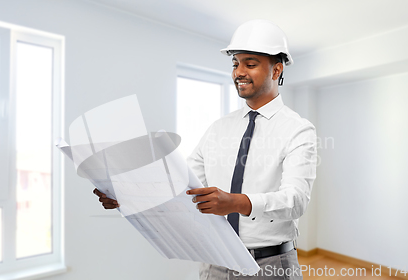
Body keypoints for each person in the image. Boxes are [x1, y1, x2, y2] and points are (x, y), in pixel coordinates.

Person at [94, 19, 316, 279]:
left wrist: (237, 202)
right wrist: (129, 197)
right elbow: (182, 184)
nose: (238, 72)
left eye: (250, 64)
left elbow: (296, 200)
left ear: (276, 70)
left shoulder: (298, 130)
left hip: (271, 264)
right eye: (235, 64)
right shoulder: (218, 128)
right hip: (215, 260)